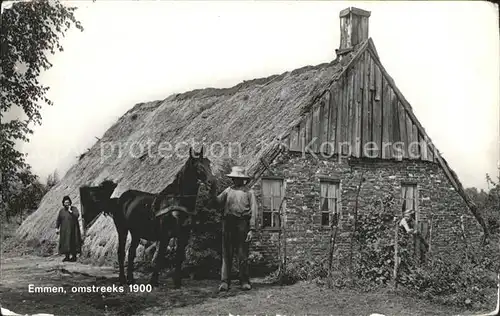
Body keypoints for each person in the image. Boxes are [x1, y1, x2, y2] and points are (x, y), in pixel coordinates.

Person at [215, 166, 258, 292]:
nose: (236, 180)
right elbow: (217, 202)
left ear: (243, 179)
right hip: (228, 223)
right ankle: (224, 282)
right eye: (234, 178)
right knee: (226, 254)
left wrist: (252, 229)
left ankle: (244, 281)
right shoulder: (228, 191)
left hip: (242, 224)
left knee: (242, 254)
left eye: (238, 178)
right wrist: (211, 192)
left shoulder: (249, 192)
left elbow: (254, 211)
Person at [56, 196, 83, 262]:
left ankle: (74, 257)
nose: (67, 204)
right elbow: (58, 220)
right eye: (65, 202)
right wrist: (57, 227)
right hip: (64, 230)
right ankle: (67, 257)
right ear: (63, 203)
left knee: (73, 241)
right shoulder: (61, 211)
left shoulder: (74, 209)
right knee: (65, 242)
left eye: (68, 202)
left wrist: (70, 211)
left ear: (70, 202)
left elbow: (77, 215)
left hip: (73, 229)